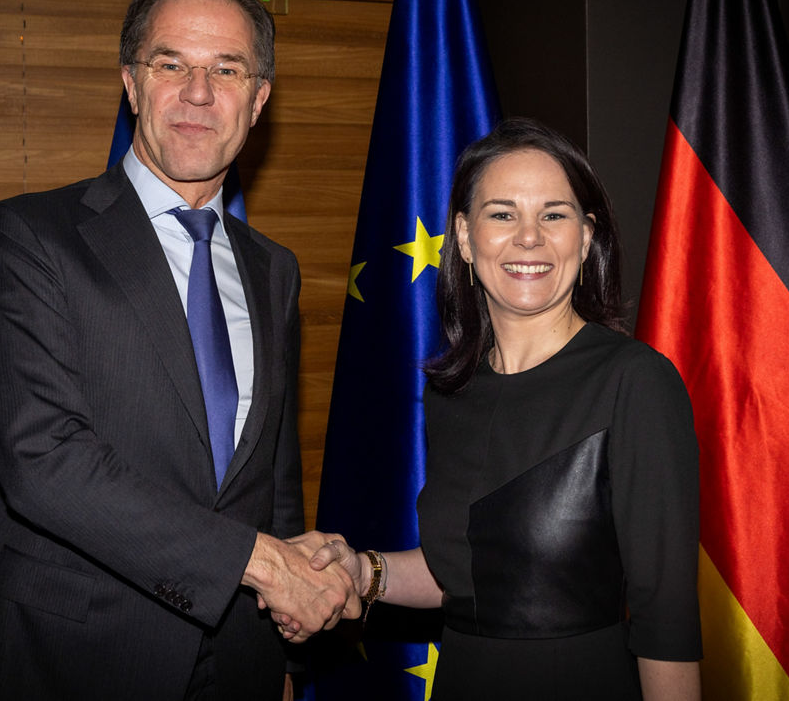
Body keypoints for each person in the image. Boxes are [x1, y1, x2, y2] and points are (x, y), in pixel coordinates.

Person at [0, 0, 358, 701]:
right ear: (132, 81)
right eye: (171, 63)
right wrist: (266, 567)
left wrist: (283, 644)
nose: (199, 93)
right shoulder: (26, 239)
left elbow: (268, 476)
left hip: (241, 657)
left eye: (228, 69)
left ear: (259, 99)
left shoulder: (275, 269)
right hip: (77, 657)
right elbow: (42, 460)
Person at [283, 118, 703, 699]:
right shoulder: (451, 392)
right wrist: (363, 570)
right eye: (502, 214)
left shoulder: (636, 382)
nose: (528, 238)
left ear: (585, 238)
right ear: (462, 236)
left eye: (553, 215)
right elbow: (462, 570)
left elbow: (668, 620)